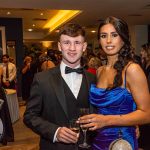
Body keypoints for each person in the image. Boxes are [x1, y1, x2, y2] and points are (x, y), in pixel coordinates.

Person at [78, 16, 150, 150]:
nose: (109, 40)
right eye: (104, 36)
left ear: (123, 39)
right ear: (99, 40)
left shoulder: (132, 69)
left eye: (114, 35)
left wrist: (107, 120)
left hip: (121, 141)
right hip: (97, 139)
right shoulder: (100, 70)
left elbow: (147, 114)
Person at [23, 23, 96, 150]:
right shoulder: (42, 79)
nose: (72, 48)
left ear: (84, 47)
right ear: (59, 46)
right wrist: (55, 132)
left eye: (77, 42)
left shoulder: (92, 79)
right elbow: (29, 116)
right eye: (67, 42)